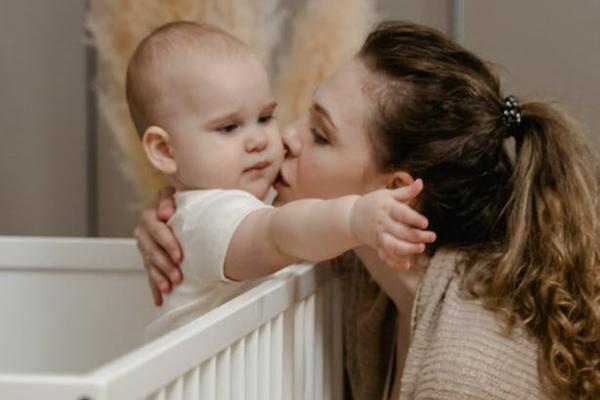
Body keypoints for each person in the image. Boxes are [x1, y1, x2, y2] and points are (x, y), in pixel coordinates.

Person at [135, 21, 600, 399]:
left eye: (320, 134)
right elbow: (263, 229)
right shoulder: (369, 271)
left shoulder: (464, 376)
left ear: (395, 194)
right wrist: (184, 204)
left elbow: (284, 230)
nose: (285, 139)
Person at [126, 21, 436, 339]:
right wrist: (354, 217)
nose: (260, 139)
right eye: (228, 128)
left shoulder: (255, 202)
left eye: (264, 118)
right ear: (164, 150)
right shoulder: (204, 219)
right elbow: (278, 232)